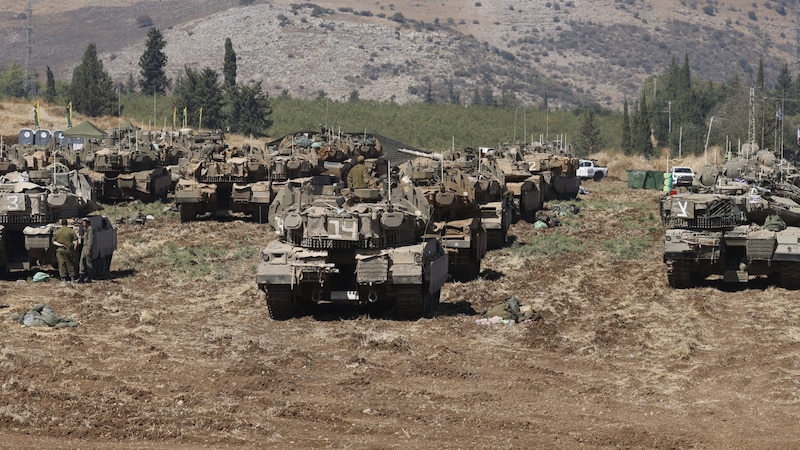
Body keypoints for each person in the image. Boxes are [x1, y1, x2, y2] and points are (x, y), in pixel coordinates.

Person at [52, 218, 77, 284]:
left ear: (61, 223)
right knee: (70, 263)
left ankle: (63, 280)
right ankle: (72, 279)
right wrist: (74, 249)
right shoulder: (71, 231)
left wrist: (60, 245)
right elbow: (75, 240)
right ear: (67, 223)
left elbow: (53, 241)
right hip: (68, 249)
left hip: (60, 250)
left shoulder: (57, 231)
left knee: (61, 264)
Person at [78, 217, 94, 283]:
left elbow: (90, 240)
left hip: (87, 247)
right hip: (84, 246)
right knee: (82, 261)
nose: (83, 223)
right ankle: (81, 276)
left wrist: (89, 250)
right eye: (83, 222)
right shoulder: (85, 229)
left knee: (88, 262)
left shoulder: (90, 229)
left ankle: (89, 277)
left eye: (84, 222)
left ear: (87, 222)